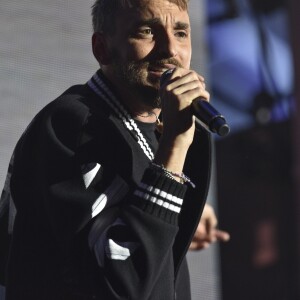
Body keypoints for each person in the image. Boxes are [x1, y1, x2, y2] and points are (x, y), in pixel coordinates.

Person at [3, 0, 229, 299]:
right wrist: (175, 146)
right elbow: (122, 284)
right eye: (147, 31)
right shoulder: (76, 125)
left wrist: (181, 216)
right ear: (102, 49)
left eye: (181, 33)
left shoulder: (156, 127)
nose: (171, 50)